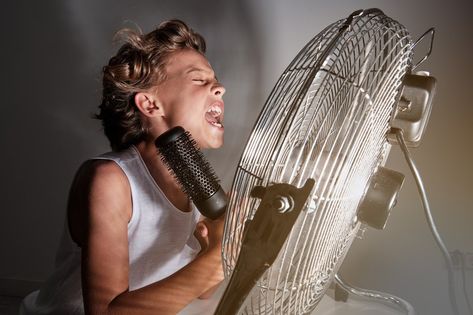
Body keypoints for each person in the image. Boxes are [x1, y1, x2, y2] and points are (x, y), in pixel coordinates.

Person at [20, 19, 226, 315]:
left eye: (215, 79)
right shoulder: (110, 180)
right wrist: (216, 261)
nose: (220, 88)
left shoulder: (193, 183)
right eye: (199, 80)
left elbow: (202, 291)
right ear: (150, 104)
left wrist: (220, 242)